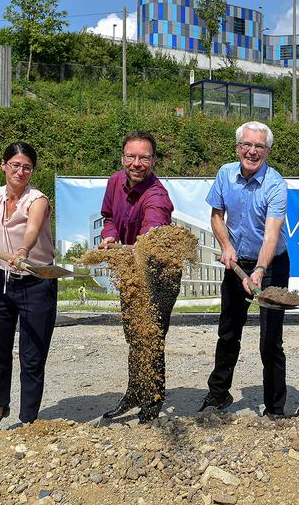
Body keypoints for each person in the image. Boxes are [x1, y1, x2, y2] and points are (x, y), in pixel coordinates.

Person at [0, 141, 57, 431]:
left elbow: (31, 231)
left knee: (32, 355)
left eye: (27, 167)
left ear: (32, 171)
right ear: (4, 165)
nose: (20, 171)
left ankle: (28, 419)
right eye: (15, 165)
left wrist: (23, 251)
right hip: (0, 280)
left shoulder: (37, 200)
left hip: (36, 282)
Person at [199, 121, 290, 416]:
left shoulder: (276, 184)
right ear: (238, 147)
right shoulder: (226, 174)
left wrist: (260, 270)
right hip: (236, 261)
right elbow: (216, 216)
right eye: (247, 145)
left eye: (259, 147)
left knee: (270, 338)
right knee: (228, 331)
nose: (252, 151)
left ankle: (275, 406)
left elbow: (272, 233)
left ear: (268, 150)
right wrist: (227, 247)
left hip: (271, 264)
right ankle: (218, 395)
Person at [98, 130, 177, 424]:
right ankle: (134, 392)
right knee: (134, 334)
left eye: (144, 157)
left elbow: (149, 240)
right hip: (131, 270)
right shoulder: (114, 182)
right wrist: (110, 237)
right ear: (122, 158)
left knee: (151, 337)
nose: (137, 163)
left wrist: (129, 249)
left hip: (159, 273)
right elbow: (108, 218)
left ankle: (152, 402)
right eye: (131, 156)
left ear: (154, 160)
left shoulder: (158, 197)